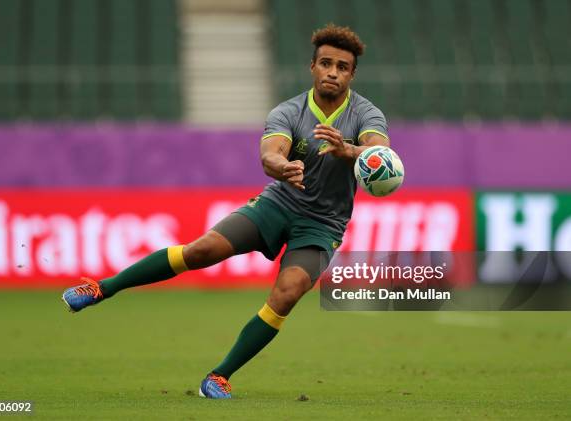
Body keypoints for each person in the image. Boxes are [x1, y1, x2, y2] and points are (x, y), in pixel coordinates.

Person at [62, 24, 390, 399]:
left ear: (352, 74)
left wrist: (350, 151)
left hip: (322, 224)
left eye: (342, 67)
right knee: (201, 250)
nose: (333, 72)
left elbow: (378, 152)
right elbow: (270, 154)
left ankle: (218, 377)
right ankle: (102, 288)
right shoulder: (289, 111)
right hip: (278, 204)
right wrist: (282, 167)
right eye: (326, 64)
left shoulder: (366, 114)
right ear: (312, 67)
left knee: (288, 292)